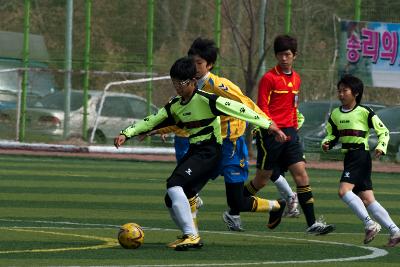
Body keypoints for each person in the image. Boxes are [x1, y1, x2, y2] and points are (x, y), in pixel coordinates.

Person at [114, 56, 288, 251]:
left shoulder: (207, 100)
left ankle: (192, 235)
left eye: (181, 82)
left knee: (174, 184)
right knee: (171, 197)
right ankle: (189, 232)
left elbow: (240, 109)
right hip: (195, 151)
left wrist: (268, 124)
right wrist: (126, 133)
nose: (177, 87)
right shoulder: (175, 105)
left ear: (193, 81)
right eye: (174, 82)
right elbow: (153, 119)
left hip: (210, 152)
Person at [187, 37, 298, 231]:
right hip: (208, 147)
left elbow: (245, 103)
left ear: (210, 65)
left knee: (236, 201)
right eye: (192, 63)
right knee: (187, 190)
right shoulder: (191, 86)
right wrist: (161, 128)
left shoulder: (220, 86)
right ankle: (191, 235)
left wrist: (269, 124)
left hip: (231, 147)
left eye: (199, 63)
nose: (195, 67)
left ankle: (277, 206)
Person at [247, 34, 336, 235]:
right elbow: (262, 108)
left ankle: (312, 224)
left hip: (290, 133)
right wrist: (274, 129)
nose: (284, 58)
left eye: (287, 54)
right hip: (270, 132)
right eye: (280, 55)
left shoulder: (296, 78)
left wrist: (293, 129)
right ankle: (234, 208)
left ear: (294, 55)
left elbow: (292, 107)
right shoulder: (268, 78)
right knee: (261, 180)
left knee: (302, 175)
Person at [322, 74, 400, 246]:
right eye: (339, 91)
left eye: (345, 91)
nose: (341, 94)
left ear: (355, 93)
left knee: (343, 191)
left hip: (360, 156)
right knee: (367, 199)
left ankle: (369, 224)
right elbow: (331, 135)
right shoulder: (335, 114)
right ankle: (395, 231)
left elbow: (384, 131)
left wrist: (381, 146)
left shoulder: (364, 112)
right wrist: (326, 143)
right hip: (350, 157)